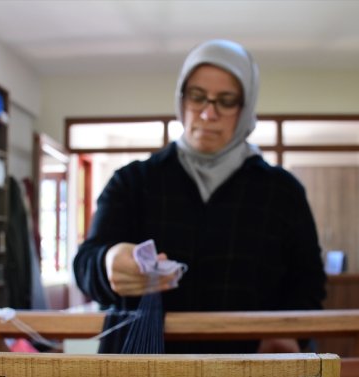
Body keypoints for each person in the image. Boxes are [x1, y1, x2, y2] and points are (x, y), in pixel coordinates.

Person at [73, 39, 325, 354]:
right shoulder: (132, 182)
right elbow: (85, 264)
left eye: (226, 100)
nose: (208, 113)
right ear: (182, 98)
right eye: (197, 97)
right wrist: (108, 263)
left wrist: (288, 333)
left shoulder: (283, 192)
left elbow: (309, 282)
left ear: (245, 108)